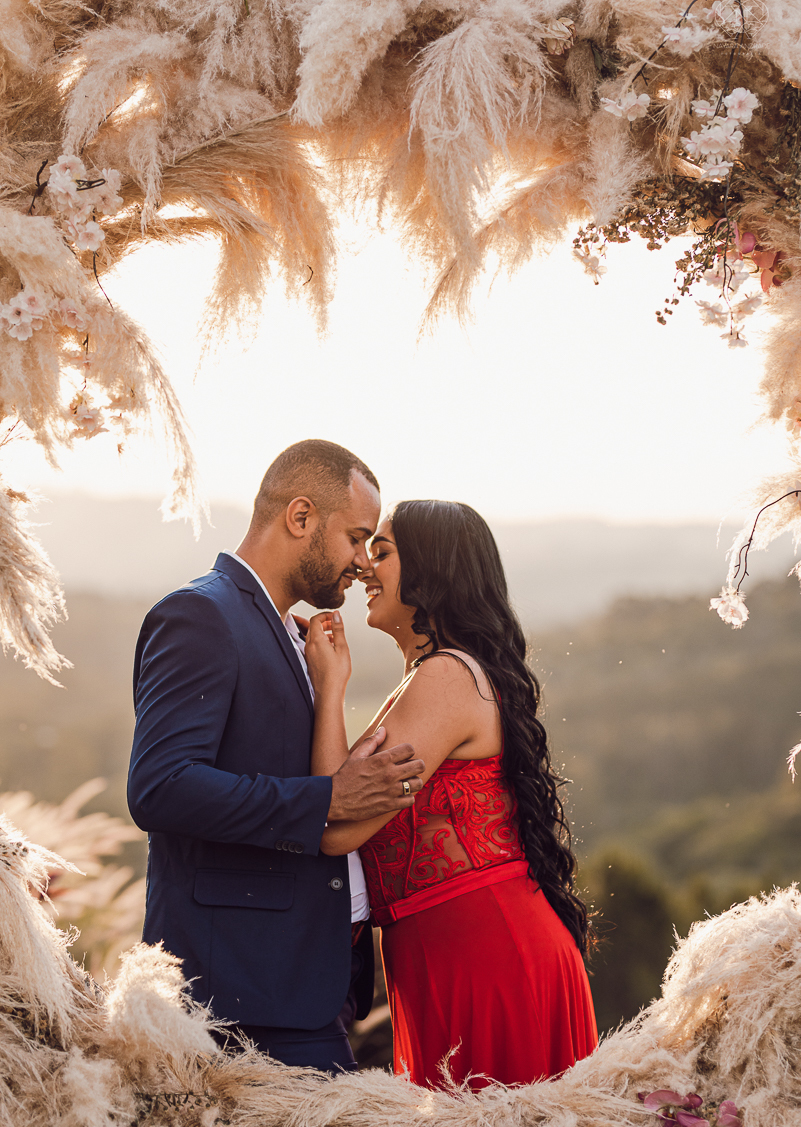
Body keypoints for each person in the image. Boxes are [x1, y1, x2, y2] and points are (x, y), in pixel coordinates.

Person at [127, 440, 425, 1075]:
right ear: (300, 517)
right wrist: (329, 800)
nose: (361, 563)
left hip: (300, 991)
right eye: (355, 537)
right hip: (238, 995)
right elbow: (161, 785)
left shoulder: (285, 630)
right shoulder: (202, 614)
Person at [304, 499, 598, 1089]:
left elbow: (336, 826)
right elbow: (341, 796)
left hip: (484, 955)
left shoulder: (447, 677)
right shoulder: (429, 677)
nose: (363, 567)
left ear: (432, 570)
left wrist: (329, 691)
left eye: (382, 552)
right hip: (444, 953)